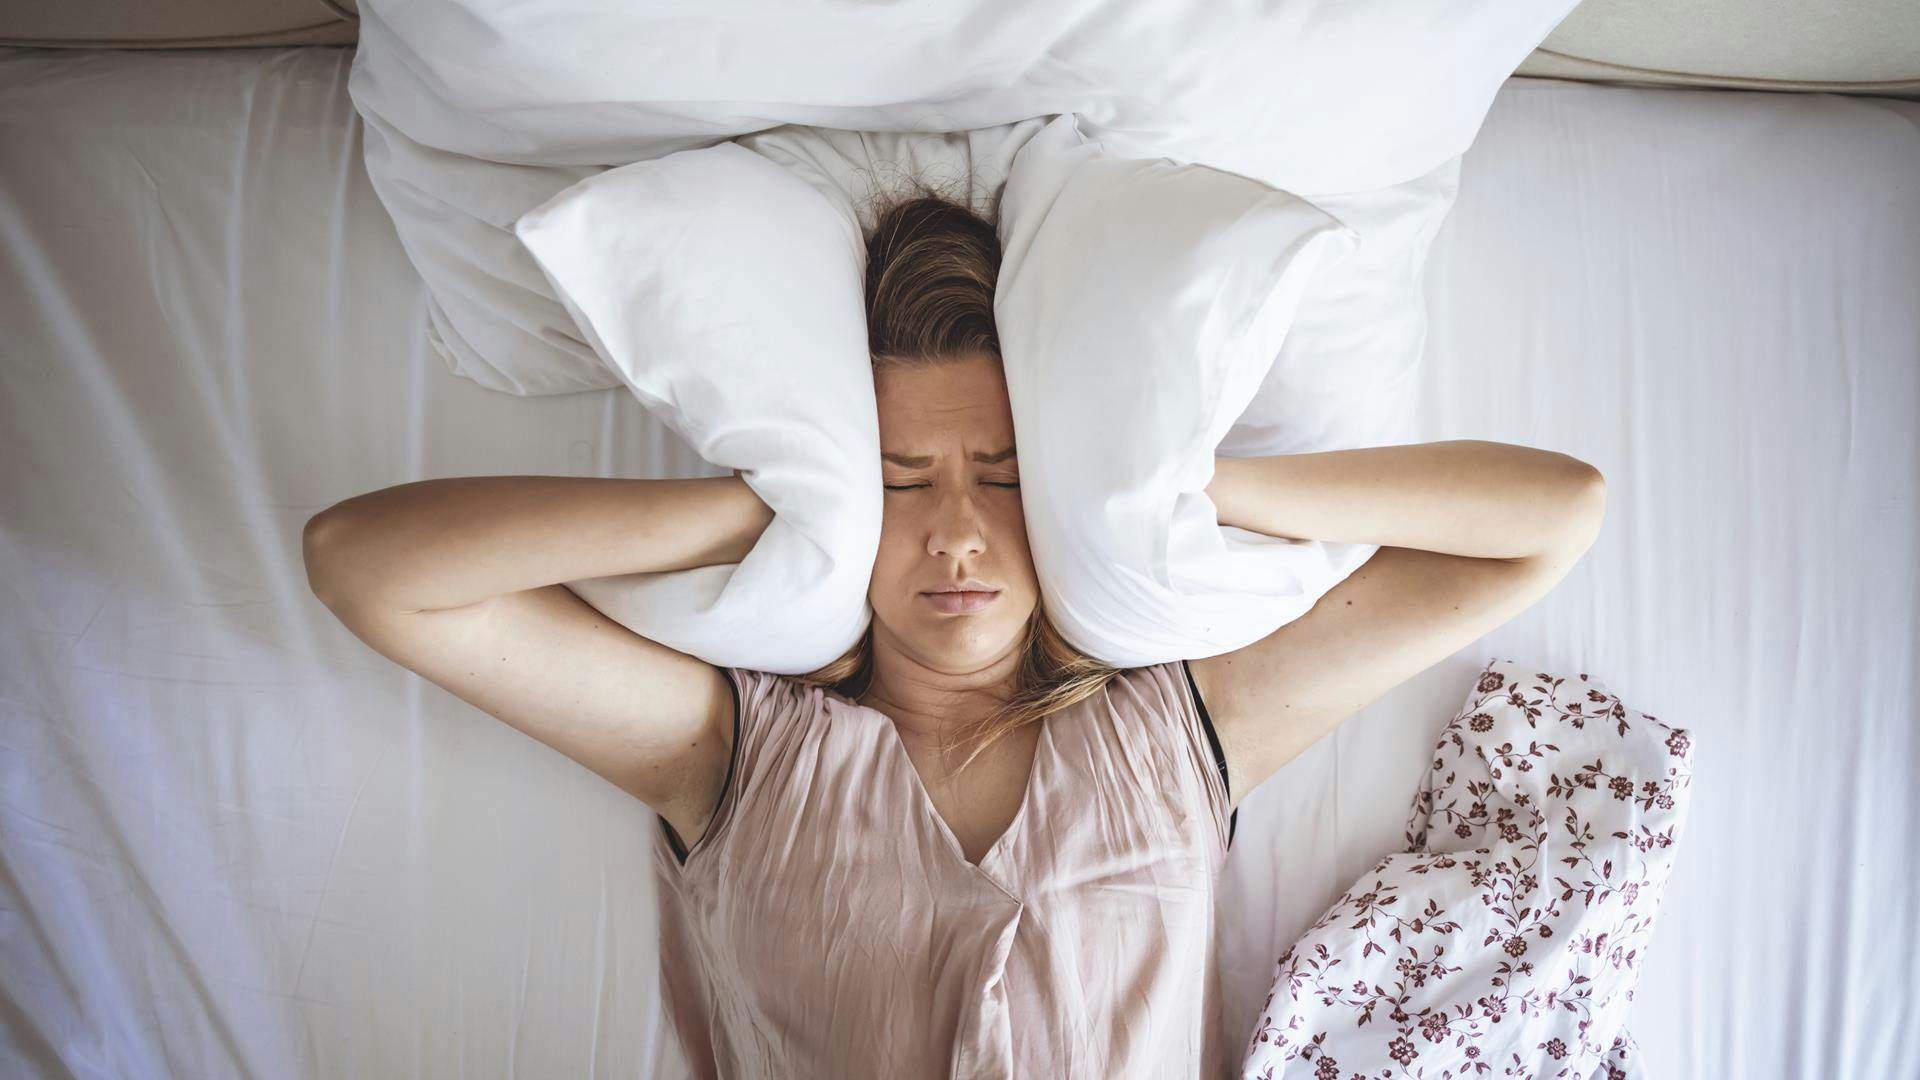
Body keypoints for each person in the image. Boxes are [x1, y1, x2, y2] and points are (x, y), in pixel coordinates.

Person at [302, 185, 1605, 1079]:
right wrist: (752, 511)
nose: (959, 535)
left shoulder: (1183, 730)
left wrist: (1181, 491)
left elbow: (1550, 516)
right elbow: (368, 569)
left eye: (1009, 475)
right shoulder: (737, 753)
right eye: (898, 481)